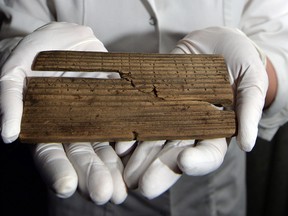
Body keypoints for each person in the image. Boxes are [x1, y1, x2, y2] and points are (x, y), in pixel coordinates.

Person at [0, 1, 287, 215]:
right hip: (86, 184)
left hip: (214, 192)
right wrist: (19, 50)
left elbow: (279, 42)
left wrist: (257, 67)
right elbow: (14, 32)